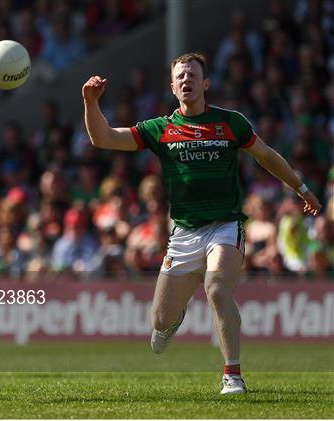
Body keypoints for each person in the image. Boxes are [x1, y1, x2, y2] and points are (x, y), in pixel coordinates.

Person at [82, 52, 321, 395]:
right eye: (180, 76)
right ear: (172, 86)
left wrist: (301, 188)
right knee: (159, 322)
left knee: (217, 290)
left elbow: (267, 155)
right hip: (184, 232)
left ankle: (232, 376)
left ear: (205, 83)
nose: (186, 79)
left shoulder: (230, 122)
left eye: (192, 74)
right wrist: (91, 103)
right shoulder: (160, 128)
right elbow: (103, 138)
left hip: (224, 225)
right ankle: (173, 319)